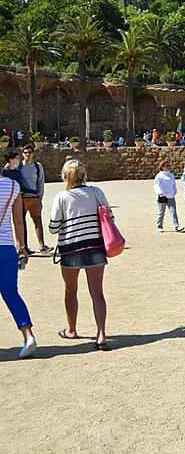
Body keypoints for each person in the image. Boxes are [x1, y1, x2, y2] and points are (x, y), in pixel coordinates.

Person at [49, 160, 114, 349]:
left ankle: (72, 329)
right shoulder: (96, 192)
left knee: (71, 290)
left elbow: (53, 228)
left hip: (71, 248)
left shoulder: (62, 197)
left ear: (64, 177)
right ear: (84, 175)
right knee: (97, 292)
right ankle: (101, 333)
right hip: (95, 247)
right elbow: (110, 217)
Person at [0, 169, 37, 358]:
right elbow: (18, 221)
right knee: (11, 294)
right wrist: (22, 246)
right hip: (6, 247)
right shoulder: (13, 186)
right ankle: (28, 335)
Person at [18, 144, 50, 253]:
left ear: (33, 153)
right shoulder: (19, 166)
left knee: (37, 221)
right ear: (22, 154)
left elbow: (41, 181)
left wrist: (40, 197)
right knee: (21, 222)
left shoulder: (37, 166)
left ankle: (42, 245)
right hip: (22, 199)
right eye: (26, 153)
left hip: (34, 198)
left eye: (30, 152)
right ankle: (23, 246)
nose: (28, 155)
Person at [154, 160, 183, 232]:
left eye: (169, 165)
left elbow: (173, 184)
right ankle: (159, 226)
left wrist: (174, 192)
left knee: (173, 212)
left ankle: (176, 226)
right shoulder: (159, 175)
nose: (169, 167)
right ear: (162, 167)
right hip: (162, 196)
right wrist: (159, 193)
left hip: (171, 196)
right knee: (161, 212)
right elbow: (157, 185)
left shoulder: (170, 175)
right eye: (167, 166)